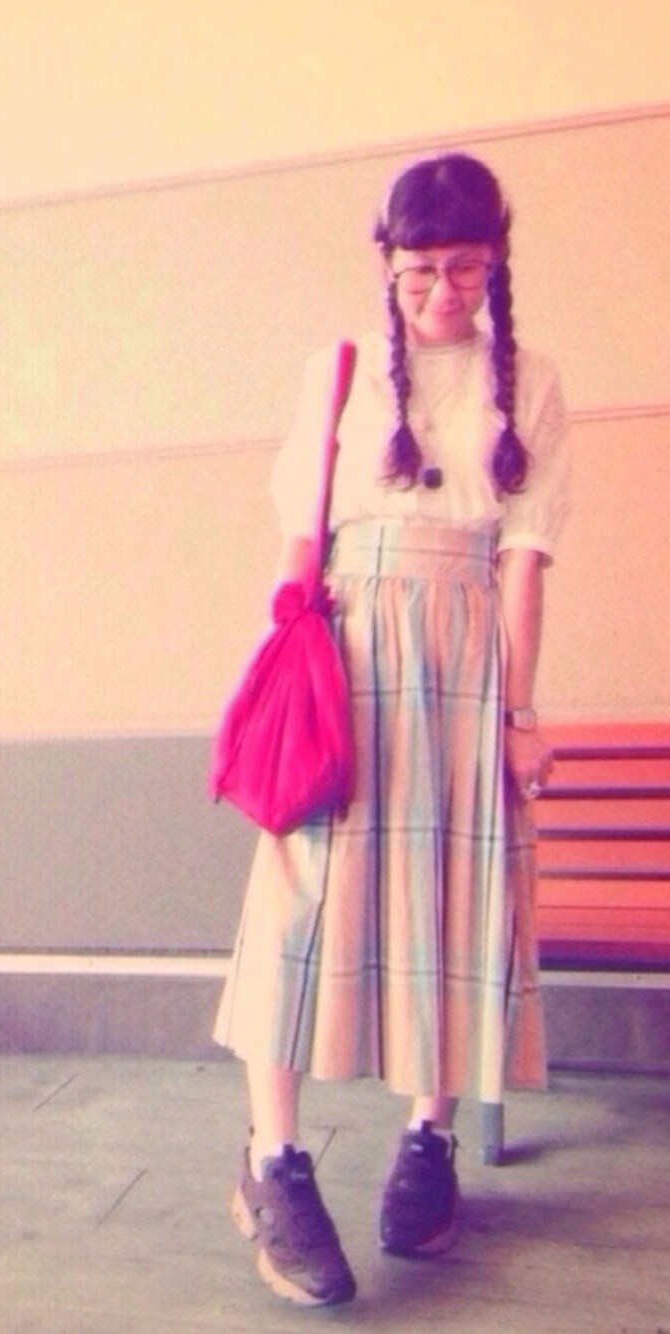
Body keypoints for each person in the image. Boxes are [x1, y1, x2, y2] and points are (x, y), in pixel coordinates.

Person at [213, 151, 571, 1308]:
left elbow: (524, 561)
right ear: (387, 262)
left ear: (495, 259)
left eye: (463, 267)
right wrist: (281, 666)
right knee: (296, 903)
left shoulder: (531, 383)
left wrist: (518, 712)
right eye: (419, 270)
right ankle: (273, 1159)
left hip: (466, 658)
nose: (441, 291)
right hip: (348, 650)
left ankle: (429, 1138)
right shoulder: (342, 370)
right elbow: (298, 537)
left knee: (455, 901)